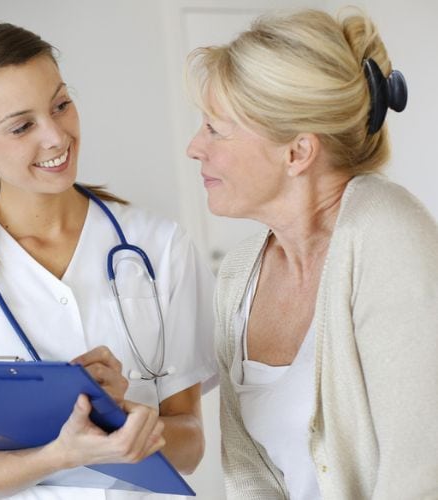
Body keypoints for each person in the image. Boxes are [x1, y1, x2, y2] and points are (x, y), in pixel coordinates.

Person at [0, 20, 217, 499]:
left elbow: (191, 446)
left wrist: (132, 418)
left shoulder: (160, 245)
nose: (56, 137)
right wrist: (65, 452)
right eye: (22, 126)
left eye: (61, 105)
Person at [185, 8, 438, 500]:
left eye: (216, 128)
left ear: (298, 153)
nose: (195, 147)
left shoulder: (386, 234)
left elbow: (422, 470)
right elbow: (248, 474)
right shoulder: (239, 276)